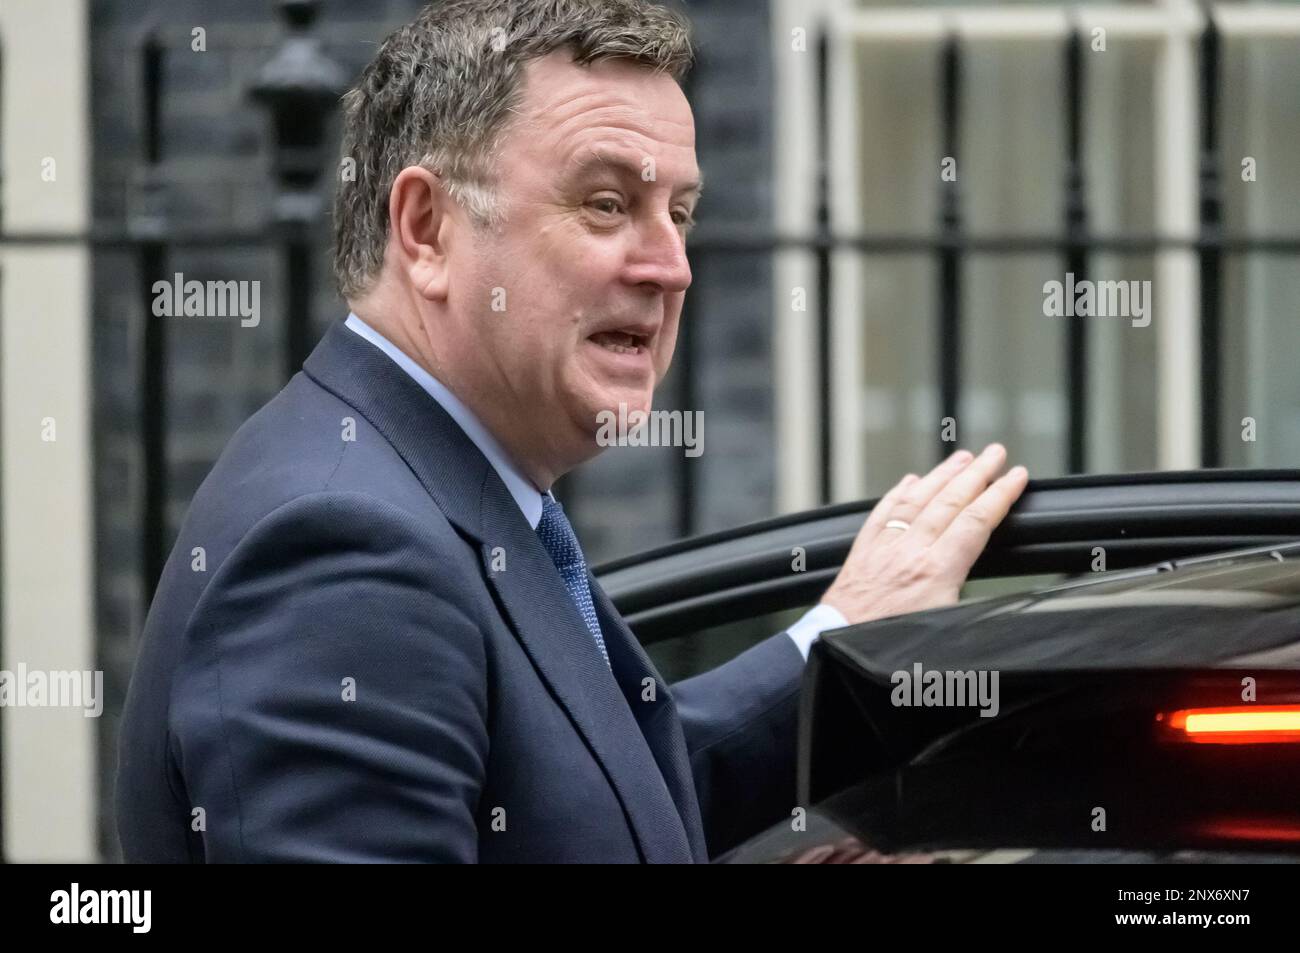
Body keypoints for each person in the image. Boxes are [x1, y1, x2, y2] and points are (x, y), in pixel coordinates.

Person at [116, 0, 1028, 863]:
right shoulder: (345, 556)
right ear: (427, 229)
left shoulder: (442, 487)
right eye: (605, 203)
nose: (672, 266)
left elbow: (609, 796)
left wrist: (837, 637)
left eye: (680, 212)